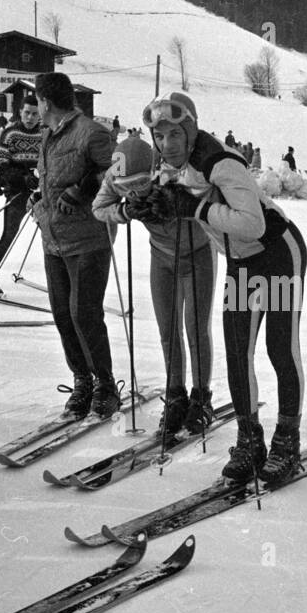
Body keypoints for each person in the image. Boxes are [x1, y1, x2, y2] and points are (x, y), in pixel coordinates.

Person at [142, 92, 307, 485]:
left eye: (174, 135)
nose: (167, 145)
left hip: (277, 253)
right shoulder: (173, 166)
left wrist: (195, 209)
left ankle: (288, 439)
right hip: (240, 262)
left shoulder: (221, 162)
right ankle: (250, 439)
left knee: (280, 347)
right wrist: (144, 204)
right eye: (160, 136)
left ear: (191, 131)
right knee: (237, 352)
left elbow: (253, 225)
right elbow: (162, 193)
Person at [93, 132, 216, 436]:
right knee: (167, 329)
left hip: (198, 252)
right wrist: (124, 210)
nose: (134, 191)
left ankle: (201, 399)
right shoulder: (116, 174)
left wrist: (178, 200)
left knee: (195, 329)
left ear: (154, 168)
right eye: (127, 187)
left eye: (140, 184)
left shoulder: (175, 169)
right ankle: (175, 395)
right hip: (161, 257)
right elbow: (99, 207)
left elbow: (209, 192)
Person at [28, 71, 120, 418]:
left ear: (46, 102)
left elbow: (116, 172)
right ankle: (83, 379)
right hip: (54, 239)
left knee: (85, 313)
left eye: (37, 100)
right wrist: (39, 201)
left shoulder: (92, 132)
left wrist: (81, 190)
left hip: (89, 238)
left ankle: (105, 384)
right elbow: (49, 180)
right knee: (63, 314)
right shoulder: (49, 135)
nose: (36, 106)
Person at [0, 96, 42, 298]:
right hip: (18, 191)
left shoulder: (46, 133)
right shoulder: (10, 133)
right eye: (27, 113)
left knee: (54, 234)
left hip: (42, 193)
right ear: (20, 112)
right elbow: (2, 165)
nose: (30, 117)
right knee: (9, 234)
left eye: (34, 113)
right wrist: (23, 179)